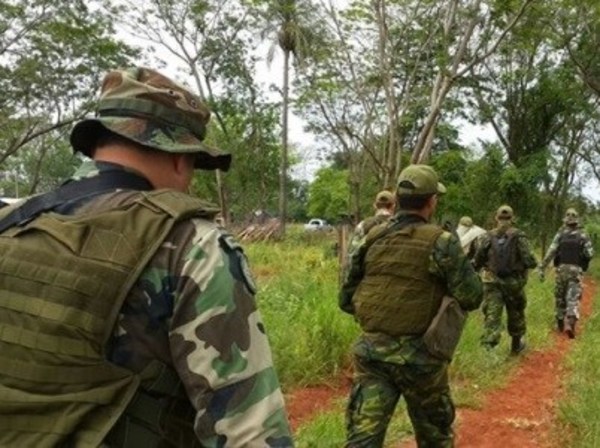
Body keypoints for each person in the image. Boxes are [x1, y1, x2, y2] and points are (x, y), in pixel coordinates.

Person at [0, 67, 293, 447]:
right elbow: (250, 431)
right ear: (179, 158)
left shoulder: (11, 222)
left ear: (98, 144)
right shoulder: (191, 244)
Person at [339, 164, 483, 447]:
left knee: (362, 441)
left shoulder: (373, 237)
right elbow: (472, 296)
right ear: (432, 202)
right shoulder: (442, 242)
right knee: (435, 439)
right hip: (422, 360)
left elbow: (345, 299)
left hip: (372, 355)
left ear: (398, 200)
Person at [473, 205, 538, 354]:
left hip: (492, 283)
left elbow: (477, 260)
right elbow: (530, 261)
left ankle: (488, 352)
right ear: (512, 218)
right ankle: (516, 346)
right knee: (516, 313)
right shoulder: (519, 236)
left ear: (496, 218)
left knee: (492, 315)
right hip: (513, 283)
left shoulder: (486, 236)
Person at [538, 208, 594, 338]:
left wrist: (542, 267)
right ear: (577, 221)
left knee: (560, 297)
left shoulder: (560, 235)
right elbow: (589, 254)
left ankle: (560, 324)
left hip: (561, 269)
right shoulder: (583, 235)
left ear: (565, 221)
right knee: (573, 298)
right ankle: (570, 322)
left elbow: (551, 252)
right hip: (575, 270)